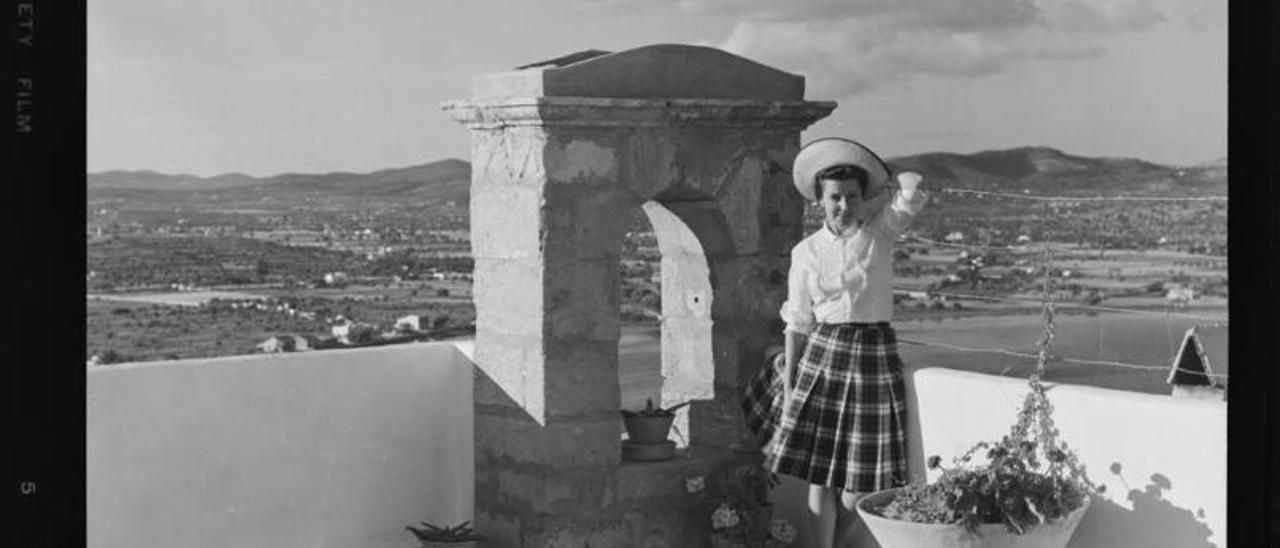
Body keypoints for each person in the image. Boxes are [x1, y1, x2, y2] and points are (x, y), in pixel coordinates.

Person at [743, 138, 927, 548]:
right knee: (820, 477)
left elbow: (905, 205)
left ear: (864, 199)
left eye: (851, 197)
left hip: (873, 360)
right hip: (823, 361)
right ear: (819, 201)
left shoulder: (879, 231)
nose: (843, 206)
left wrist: (904, 184)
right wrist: (791, 388)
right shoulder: (805, 252)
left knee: (858, 488)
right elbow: (798, 325)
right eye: (835, 198)